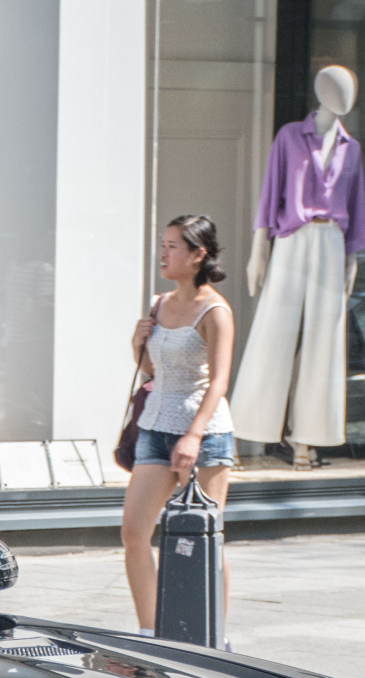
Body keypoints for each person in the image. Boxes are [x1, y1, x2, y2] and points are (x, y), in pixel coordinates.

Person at [120, 214, 238, 634]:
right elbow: (154, 372)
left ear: (198, 254)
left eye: (172, 246)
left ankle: (214, 635)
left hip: (205, 434)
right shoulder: (159, 304)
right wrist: (138, 347)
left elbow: (220, 380)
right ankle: (152, 631)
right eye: (163, 244)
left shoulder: (215, 310)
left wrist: (193, 434)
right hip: (154, 426)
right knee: (134, 533)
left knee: (206, 537)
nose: (163, 253)